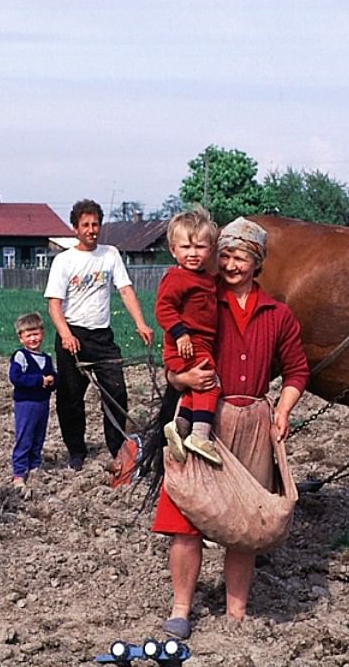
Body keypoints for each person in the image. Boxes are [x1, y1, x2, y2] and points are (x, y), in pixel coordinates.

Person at [151, 217, 309, 639]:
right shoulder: (202, 299)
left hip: (255, 422)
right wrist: (180, 381)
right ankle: (181, 609)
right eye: (225, 255)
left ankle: (235, 614)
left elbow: (296, 371)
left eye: (241, 256)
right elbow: (174, 355)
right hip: (205, 413)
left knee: (244, 523)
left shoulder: (277, 314)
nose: (231, 264)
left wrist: (283, 410)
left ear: (257, 262)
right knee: (185, 516)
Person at [44, 199, 155, 470]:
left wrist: (141, 322)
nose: (91, 230)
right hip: (73, 335)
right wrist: (66, 335)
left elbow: (125, 290)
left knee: (116, 391)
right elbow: (54, 305)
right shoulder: (64, 260)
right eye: (85, 225)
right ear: (75, 228)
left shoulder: (110, 254)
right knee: (70, 398)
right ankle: (76, 451)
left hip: (102, 337)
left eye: (95, 224)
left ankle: (118, 449)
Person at [155, 207, 222, 466]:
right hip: (188, 343)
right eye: (186, 247)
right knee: (210, 383)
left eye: (200, 247)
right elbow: (163, 308)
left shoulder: (206, 279)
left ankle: (180, 424)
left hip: (198, 342)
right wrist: (180, 333)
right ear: (173, 250)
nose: (193, 254)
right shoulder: (176, 277)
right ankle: (200, 435)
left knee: (196, 387)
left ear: (210, 249)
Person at [9, 312, 57, 489]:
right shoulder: (21, 356)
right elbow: (16, 377)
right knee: (24, 437)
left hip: (42, 403)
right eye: (28, 335)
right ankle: (19, 473)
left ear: (42, 334)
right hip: (26, 403)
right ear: (21, 338)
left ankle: (35, 465)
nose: (33, 338)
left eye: (36, 334)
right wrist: (39, 381)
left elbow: (53, 377)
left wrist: (53, 381)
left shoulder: (46, 358)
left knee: (39, 436)